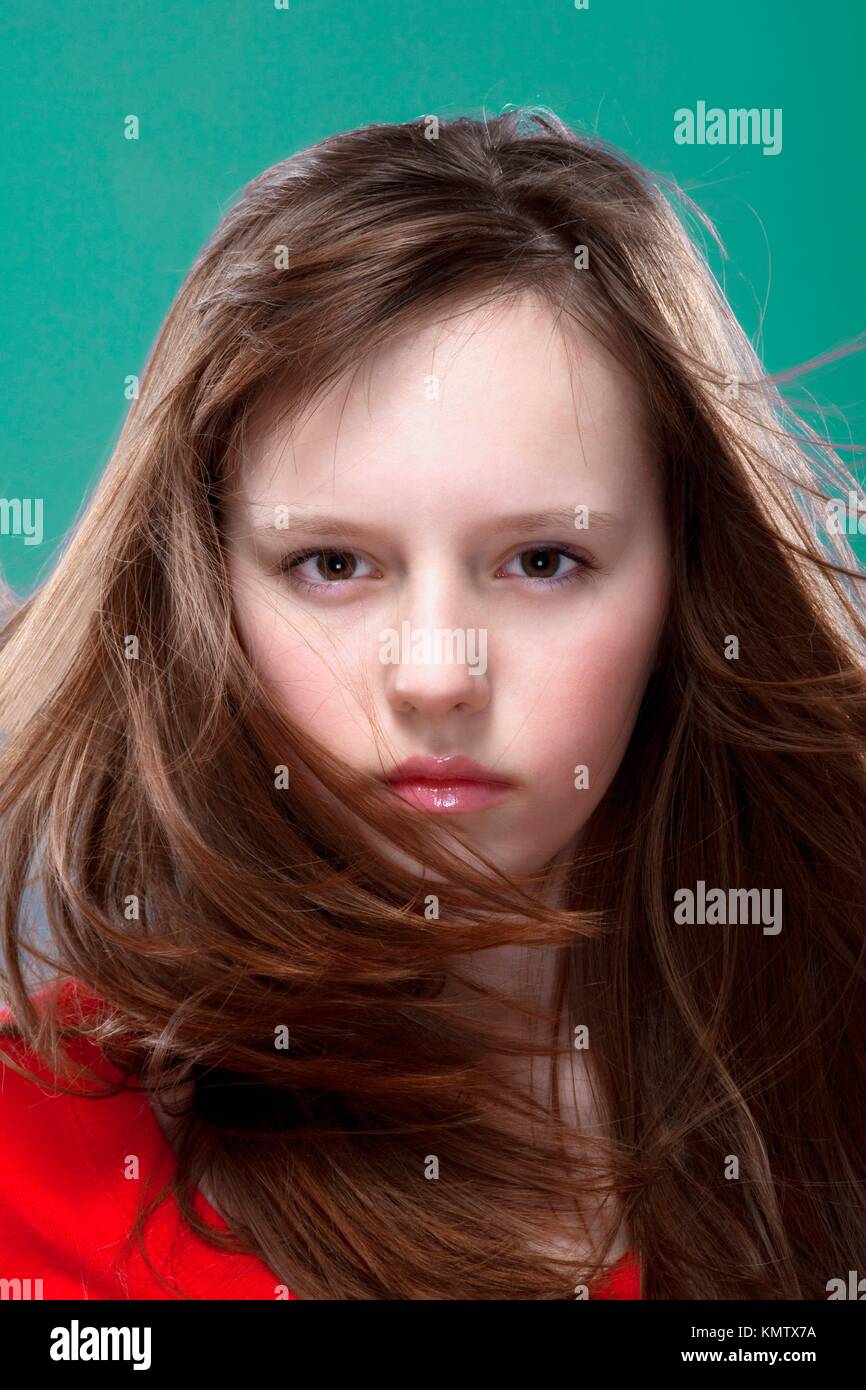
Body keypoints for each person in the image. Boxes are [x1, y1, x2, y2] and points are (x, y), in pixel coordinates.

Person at [0, 107, 863, 1301]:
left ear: (686, 580)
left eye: (542, 560)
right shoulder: (28, 1155)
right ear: (204, 591)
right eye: (333, 566)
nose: (436, 674)